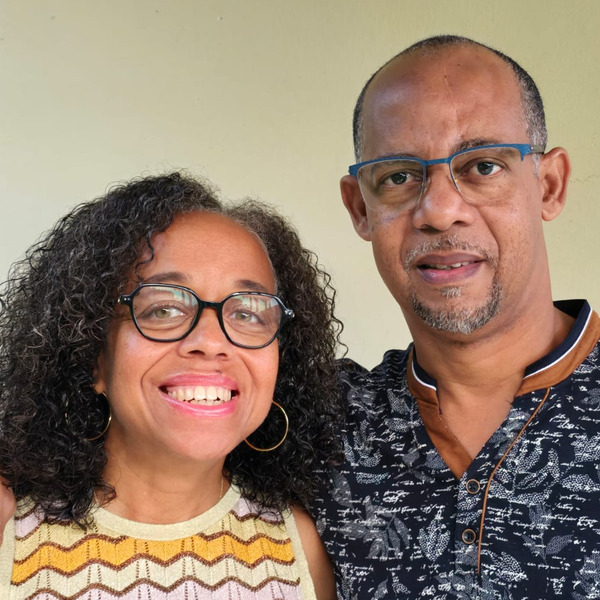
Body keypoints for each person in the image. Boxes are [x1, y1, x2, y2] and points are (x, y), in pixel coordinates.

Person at [311, 35, 600, 599]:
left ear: (549, 185)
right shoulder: (321, 426)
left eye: (483, 166)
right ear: (360, 207)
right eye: (398, 176)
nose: (440, 211)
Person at [0, 172, 342, 599]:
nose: (211, 342)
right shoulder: (7, 532)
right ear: (92, 354)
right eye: (163, 309)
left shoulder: (301, 548)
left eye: (248, 313)